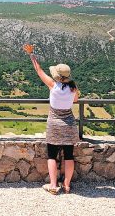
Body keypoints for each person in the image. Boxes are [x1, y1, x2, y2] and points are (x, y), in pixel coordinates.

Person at [24, 43, 79, 195]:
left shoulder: (52, 85)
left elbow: (38, 70)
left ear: (56, 75)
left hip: (54, 124)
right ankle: (67, 185)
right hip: (69, 125)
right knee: (69, 156)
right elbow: (75, 101)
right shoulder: (74, 88)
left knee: (51, 155)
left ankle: (53, 185)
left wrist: (31, 54)